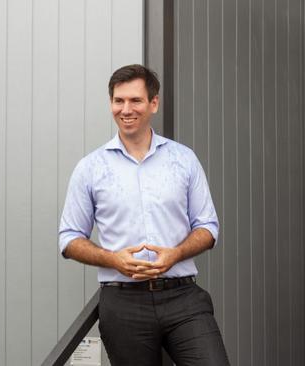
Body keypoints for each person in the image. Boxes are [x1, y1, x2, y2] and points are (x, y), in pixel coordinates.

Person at [59, 64, 229, 366]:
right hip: (123, 303)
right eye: (118, 100)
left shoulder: (183, 159)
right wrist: (114, 260)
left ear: (153, 103)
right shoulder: (91, 168)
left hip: (183, 298)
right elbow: (69, 238)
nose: (126, 109)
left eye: (135, 100)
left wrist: (175, 254)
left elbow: (208, 227)